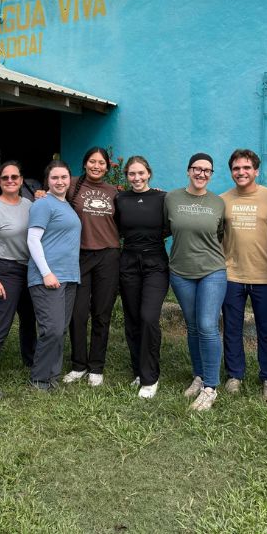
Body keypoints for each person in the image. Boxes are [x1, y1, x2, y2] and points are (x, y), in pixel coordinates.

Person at [219, 149, 267, 402]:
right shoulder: (222, 200)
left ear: (256, 170)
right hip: (231, 274)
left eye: (246, 168)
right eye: (236, 168)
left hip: (265, 276)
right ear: (231, 171)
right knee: (232, 329)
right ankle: (235, 375)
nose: (241, 172)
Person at [165, 152, 226, 412]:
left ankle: (210, 387)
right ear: (188, 171)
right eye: (197, 169)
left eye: (207, 170)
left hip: (212, 270)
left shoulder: (218, 203)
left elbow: (223, 235)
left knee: (207, 325)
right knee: (191, 326)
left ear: (211, 174)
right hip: (180, 272)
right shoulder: (171, 198)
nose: (202, 174)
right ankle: (199, 376)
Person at [0, 161, 37, 400]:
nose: (10, 181)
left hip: (29, 270)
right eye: (5, 178)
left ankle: (31, 362)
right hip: (4, 270)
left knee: (30, 320)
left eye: (15, 177)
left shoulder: (31, 206)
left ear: (22, 180)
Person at [63, 147, 120, 387]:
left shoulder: (115, 192)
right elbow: (53, 196)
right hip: (79, 256)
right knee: (77, 313)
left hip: (108, 255)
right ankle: (78, 365)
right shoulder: (71, 185)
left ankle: (96, 366)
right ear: (85, 163)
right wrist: (41, 194)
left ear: (107, 167)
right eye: (92, 162)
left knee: (101, 312)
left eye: (101, 163)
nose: (96, 166)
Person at [114, 156, 168, 399]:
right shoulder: (120, 199)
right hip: (128, 262)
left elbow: (169, 226)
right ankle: (138, 369)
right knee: (133, 319)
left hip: (155, 262)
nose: (136, 178)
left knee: (148, 317)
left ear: (149, 174)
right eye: (131, 174)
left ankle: (150, 377)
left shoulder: (162, 198)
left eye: (141, 173)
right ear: (126, 176)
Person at [26, 160, 81, 391]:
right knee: (52, 329)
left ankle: (52, 377)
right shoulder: (43, 204)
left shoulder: (66, 204)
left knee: (61, 329)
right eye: (55, 178)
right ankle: (39, 379)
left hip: (69, 276)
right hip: (47, 276)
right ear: (47, 181)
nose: (60, 182)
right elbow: (33, 239)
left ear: (70, 179)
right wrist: (46, 273)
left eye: (64, 177)